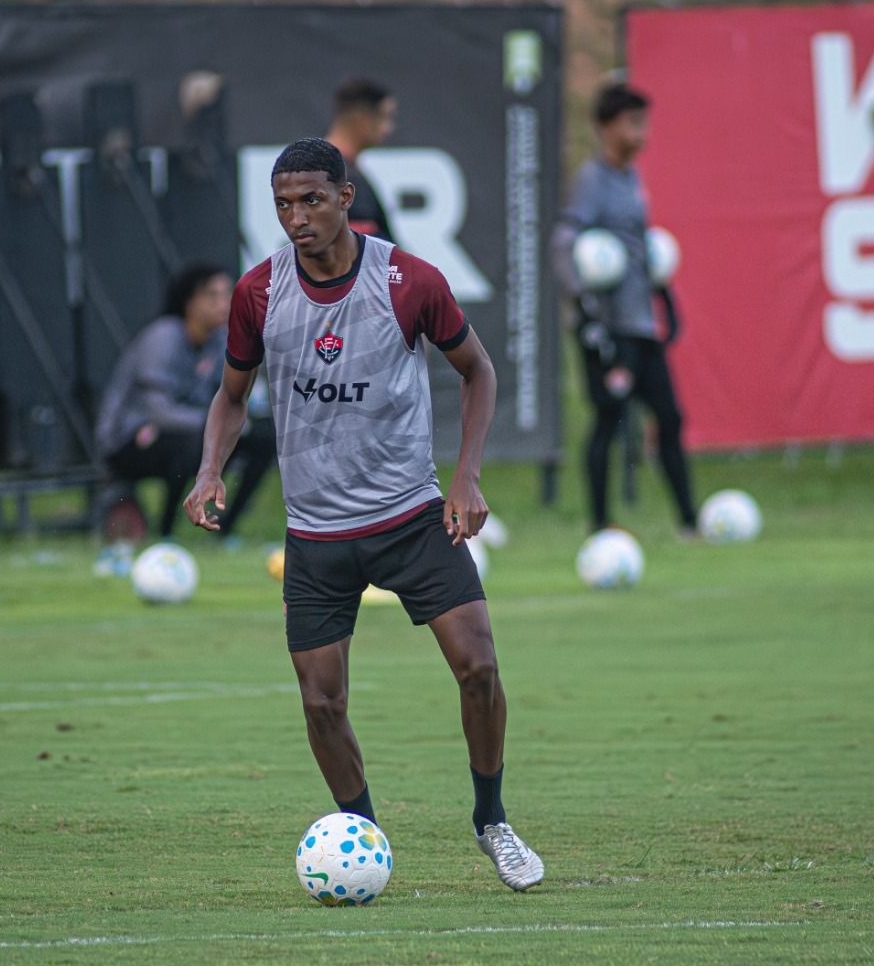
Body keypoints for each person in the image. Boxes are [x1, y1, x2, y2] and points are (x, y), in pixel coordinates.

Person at [184, 138, 543, 892]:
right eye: (283, 204)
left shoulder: (408, 281)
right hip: (315, 535)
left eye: (312, 199)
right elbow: (231, 394)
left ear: (346, 197)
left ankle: (492, 821)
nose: (296, 217)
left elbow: (478, 371)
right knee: (321, 704)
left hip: (411, 517)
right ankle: (363, 838)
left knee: (478, 664)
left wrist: (467, 477)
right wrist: (210, 468)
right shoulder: (258, 292)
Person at [553, 82, 700, 538]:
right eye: (632, 121)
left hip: (640, 322)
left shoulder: (632, 180)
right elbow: (564, 244)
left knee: (670, 417)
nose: (641, 131)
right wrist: (583, 303)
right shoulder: (592, 181)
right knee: (608, 419)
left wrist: (666, 298)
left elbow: (641, 249)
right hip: (606, 327)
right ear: (605, 127)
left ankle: (689, 523)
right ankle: (600, 524)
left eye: (644, 121)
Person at [95, 263, 275, 540]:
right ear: (190, 302)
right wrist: (210, 423)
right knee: (192, 443)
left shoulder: (218, 340)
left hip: (183, 430)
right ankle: (165, 533)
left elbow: (229, 396)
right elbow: (158, 412)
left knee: (265, 437)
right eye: (213, 296)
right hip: (132, 438)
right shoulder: (164, 336)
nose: (223, 303)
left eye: (226, 294)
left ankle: (225, 530)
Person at [325, 76, 396, 241]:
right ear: (362, 118)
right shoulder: (341, 178)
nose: (389, 129)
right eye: (385, 117)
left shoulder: (332, 170)